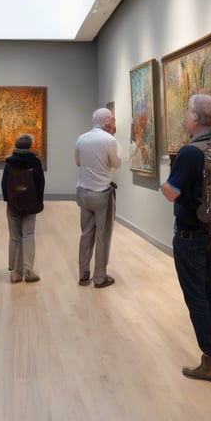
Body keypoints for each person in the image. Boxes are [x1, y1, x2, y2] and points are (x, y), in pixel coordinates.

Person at [160, 93, 211, 382]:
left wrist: (165, 182)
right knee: (208, 292)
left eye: (188, 111)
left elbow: (171, 192)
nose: (184, 115)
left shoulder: (191, 152)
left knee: (196, 298)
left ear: (197, 119)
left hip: (190, 236)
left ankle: (210, 361)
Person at [74, 107, 122, 288]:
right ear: (108, 122)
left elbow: (78, 162)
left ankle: (83, 274)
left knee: (86, 233)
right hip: (101, 192)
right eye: (114, 121)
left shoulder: (81, 139)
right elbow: (117, 164)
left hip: (83, 191)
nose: (115, 125)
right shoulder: (109, 140)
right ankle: (100, 277)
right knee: (103, 235)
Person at [1, 134, 45, 284]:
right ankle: (28, 270)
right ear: (30, 146)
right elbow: (40, 185)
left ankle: (15, 272)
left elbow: (4, 184)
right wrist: (37, 203)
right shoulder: (36, 162)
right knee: (28, 235)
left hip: (13, 205)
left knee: (14, 237)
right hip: (31, 205)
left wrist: (10, 201)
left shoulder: (9, 162)